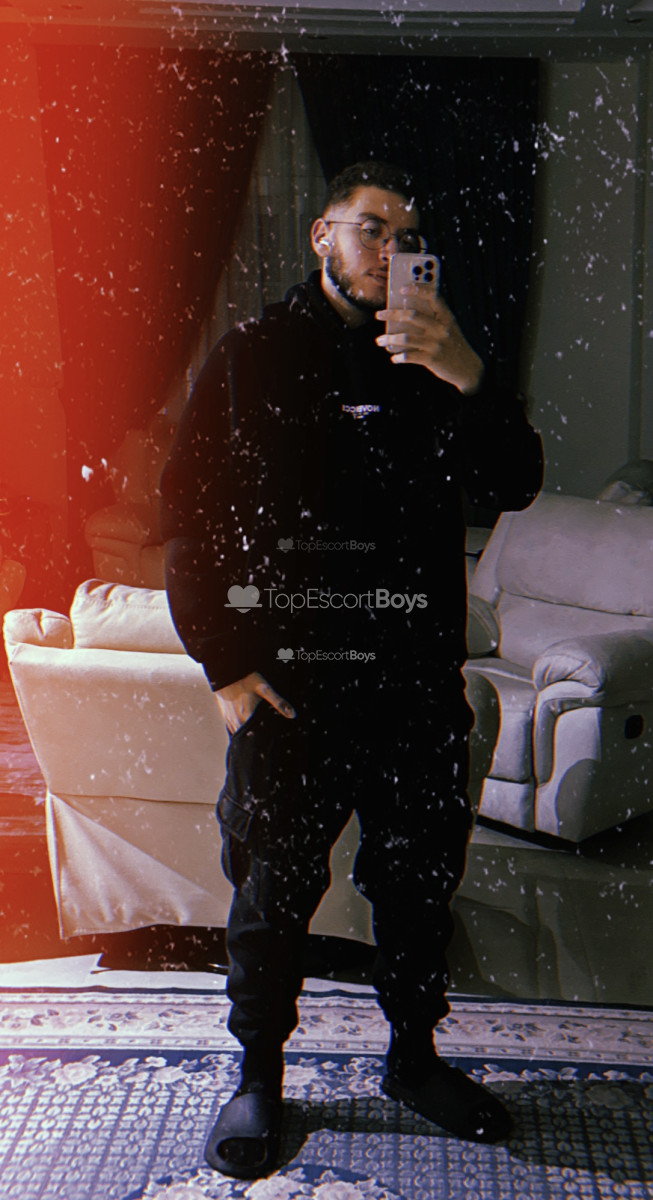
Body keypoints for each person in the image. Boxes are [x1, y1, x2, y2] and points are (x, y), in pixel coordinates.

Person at [160, 160, 544, 1180]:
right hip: (294, 687)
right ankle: (258, 1075)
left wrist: (467, 374)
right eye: (370, 227)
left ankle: (413, 1061)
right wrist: (224, 666)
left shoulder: (435, 357)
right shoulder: (253, 354)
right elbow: (188, 514)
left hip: (413, 683)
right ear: (322, 234)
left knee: (417, 889)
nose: (388, 250)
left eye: (406, 236)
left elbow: (513, 481)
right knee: (271, 893)